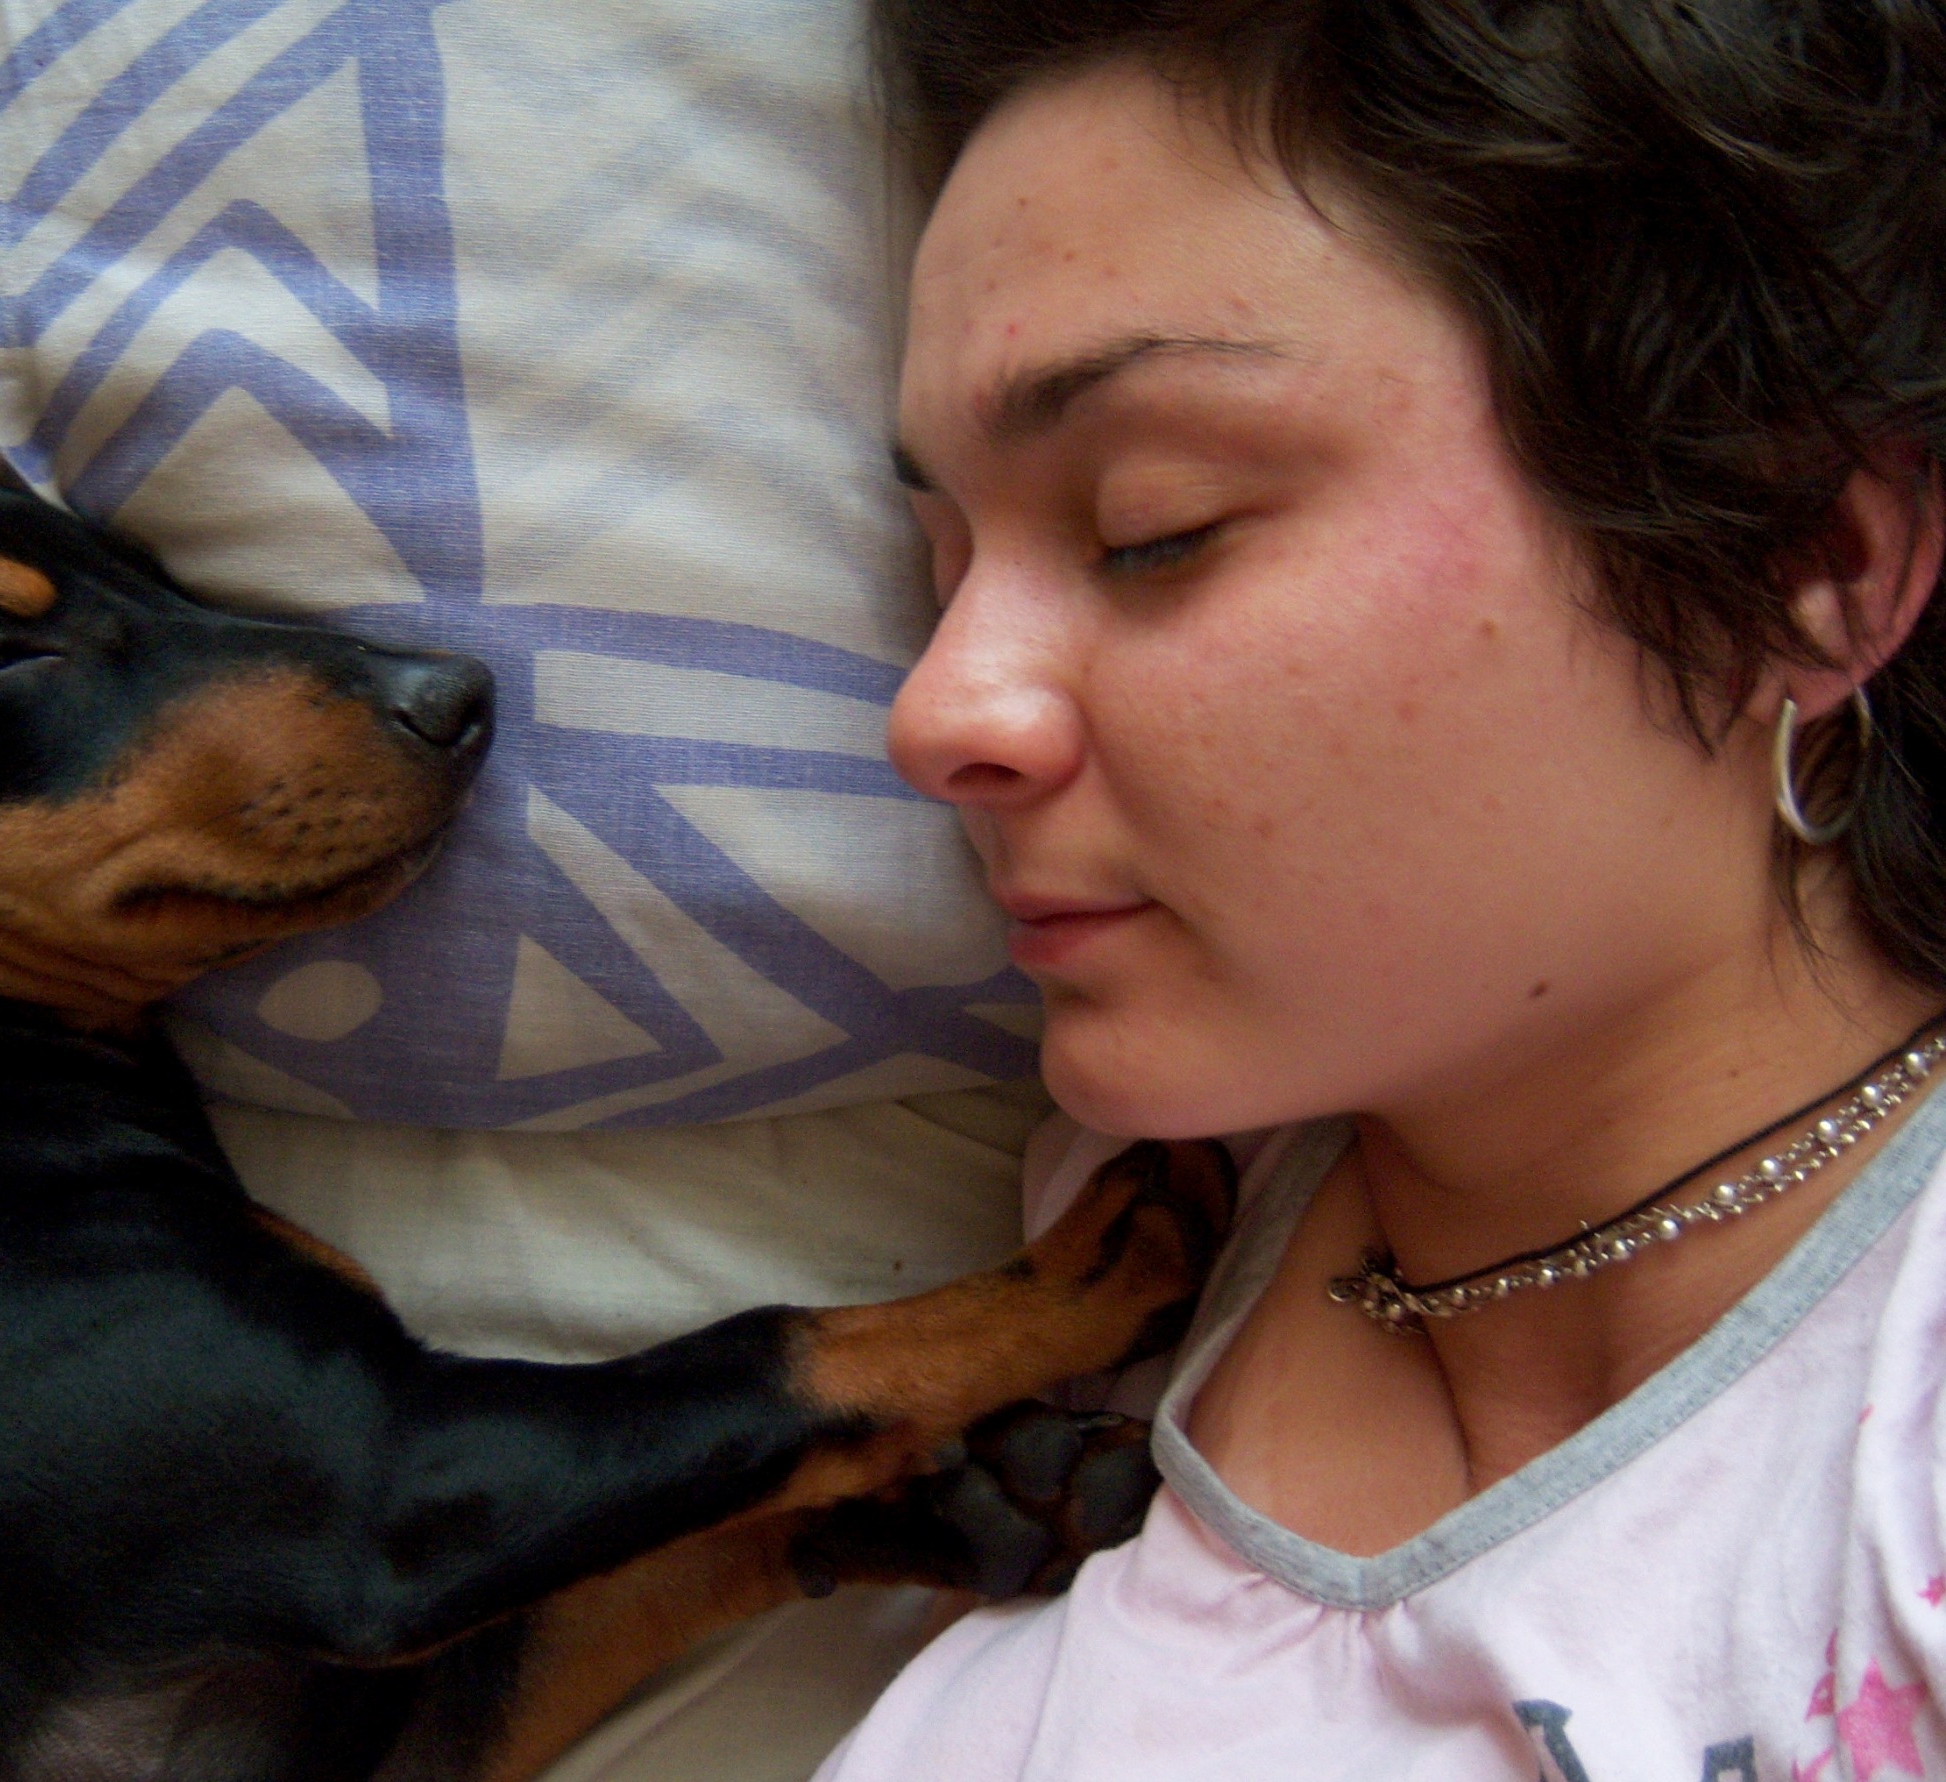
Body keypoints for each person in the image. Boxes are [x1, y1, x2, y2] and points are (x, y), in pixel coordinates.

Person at [816, 2, 1946, 1776]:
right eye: (939, 563)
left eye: (1153, 524)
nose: (936, 708)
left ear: (1806, 566)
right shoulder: (1103, 1278)